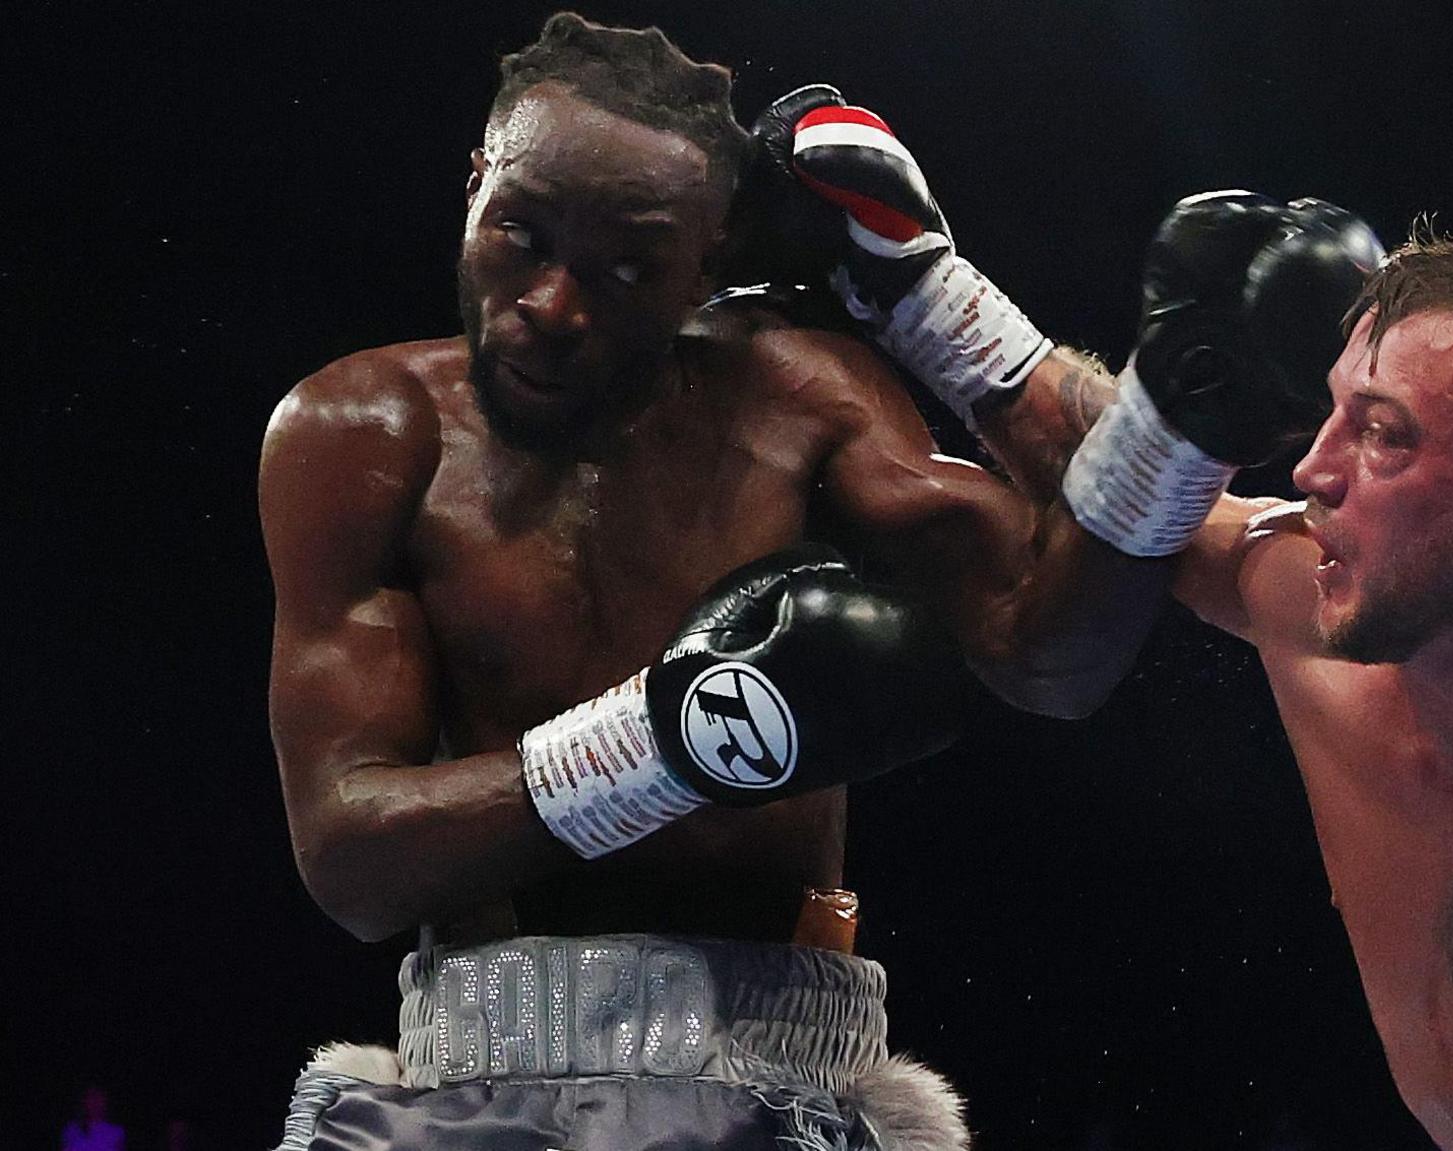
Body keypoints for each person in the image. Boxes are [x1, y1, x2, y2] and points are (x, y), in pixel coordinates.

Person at [771, 93, 1453, 1149]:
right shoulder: (1319, 614)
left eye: (1382, 432)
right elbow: (1130, 486)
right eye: (1331, 414)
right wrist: (919, 281)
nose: (1310, 468)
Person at [257, 15, 1183, 1150]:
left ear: (710, 260)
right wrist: (666, 743)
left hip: (781, 1072)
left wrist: (1181, 434)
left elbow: (1050, 654)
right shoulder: (365, 429)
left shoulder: (795, 399)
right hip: (475, 1082)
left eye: (625, 266)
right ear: (473, 188)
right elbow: (350, 857)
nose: (551, 303)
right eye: (521, 234)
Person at [59, 1086, 124, 1151]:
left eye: (98, 1097)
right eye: (91, 1097)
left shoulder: (116, 1131)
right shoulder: (72, 1129)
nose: (95, 1102)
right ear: (84, 1102)